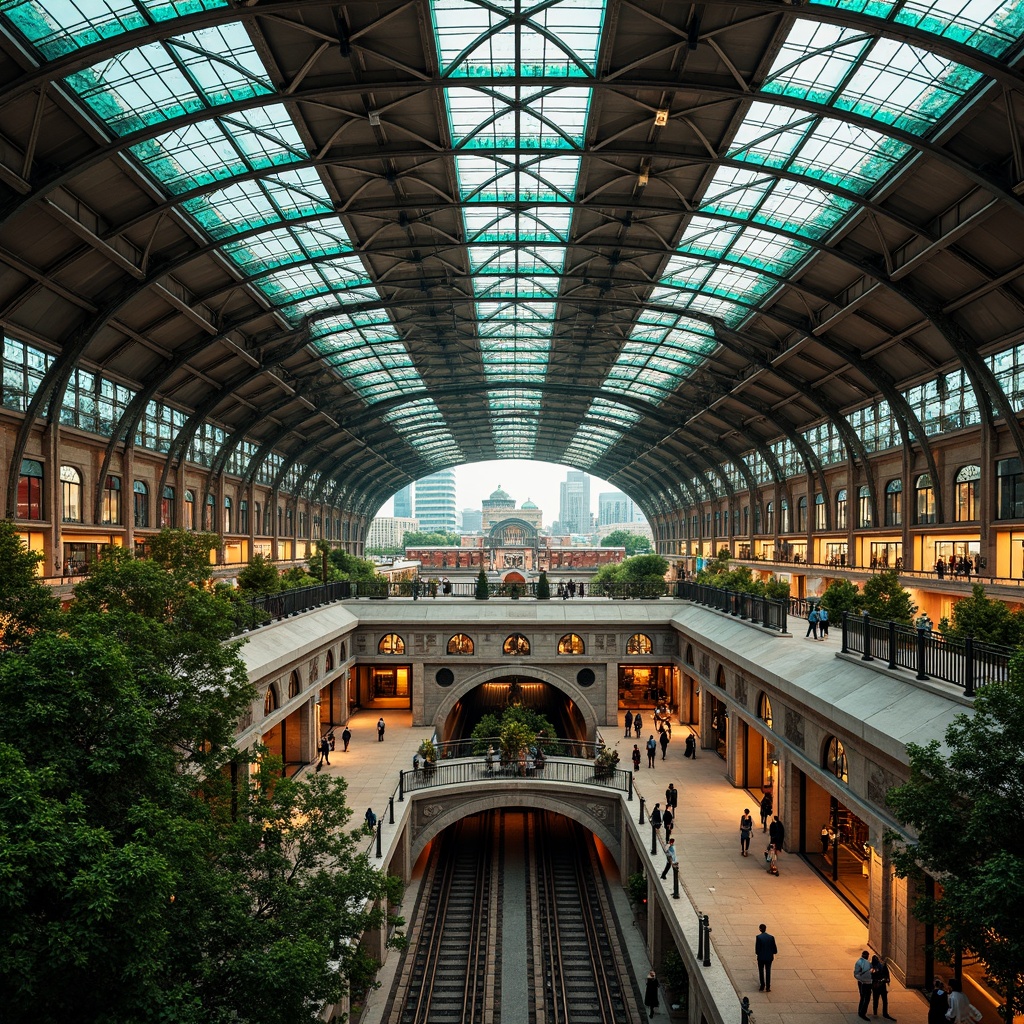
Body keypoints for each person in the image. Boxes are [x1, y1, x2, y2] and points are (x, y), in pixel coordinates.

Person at [871, 954, 895, 1020]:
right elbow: (871, 977)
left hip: (880, 986)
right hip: (876, 986)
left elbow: (887, 978)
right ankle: (876, 1012)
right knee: (876, 1000)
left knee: (883, 1000)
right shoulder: (872, 967)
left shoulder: (882, 967)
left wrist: (883, 980)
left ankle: (884, 1013)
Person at [755, 923, 778, 992]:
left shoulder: (758, 937)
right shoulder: (771, 937)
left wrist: (759, 953)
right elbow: (775, 950)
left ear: (760, 929)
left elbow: (757, 950)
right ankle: (768, 987)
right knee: (768, 971)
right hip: (769, 958)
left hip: (761, 958)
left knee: (761, 971)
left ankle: (762, 986)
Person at [854, 950, 873, 1020]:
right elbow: (857, 974)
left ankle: (860, 1011)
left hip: (864, 982)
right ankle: (862, 1013)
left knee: (863, 997)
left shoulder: (862, 963)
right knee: (866, 998)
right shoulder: (862, 963)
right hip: (864, 983)